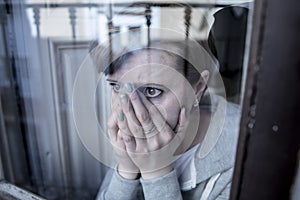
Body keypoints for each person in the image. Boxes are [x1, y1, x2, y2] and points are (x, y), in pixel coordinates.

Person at [94, 40, 241, 200]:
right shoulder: (131, 138)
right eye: (116, 86)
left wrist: (156, 172)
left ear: (197, 88)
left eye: (151, 90)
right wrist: (126, 171)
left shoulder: (240, 155)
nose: (129, 108)